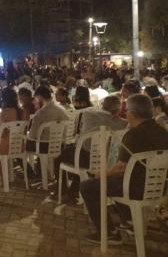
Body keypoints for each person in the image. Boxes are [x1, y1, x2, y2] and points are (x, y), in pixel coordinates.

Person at [80, 94, 168, 244]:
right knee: (113, 181)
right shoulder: (162, 132)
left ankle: (108, 233)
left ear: (133, 114)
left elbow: (120, 168)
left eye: (126, 110)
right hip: (159, 187)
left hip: (135, 187)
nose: (125, 113)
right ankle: (128, 220)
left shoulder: (134, 134)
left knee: (88, 186)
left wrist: (98, 174)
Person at [53, 95, 126, 202]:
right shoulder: (122, 123)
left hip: (86, 158)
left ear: (103, 105)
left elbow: (83, 141)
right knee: (76, 153)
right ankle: (74, 189)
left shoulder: (89, 115)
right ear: (117, 110)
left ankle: (62, 191)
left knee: (61, 157)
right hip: (106, 161)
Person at [26, 86, 69, 153]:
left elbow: (32, 136)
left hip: (45, 146)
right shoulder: (61, 109)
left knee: (23, 143)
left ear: (39, 97)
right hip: (61, 145)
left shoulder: (41, 113)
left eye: (36, 98)